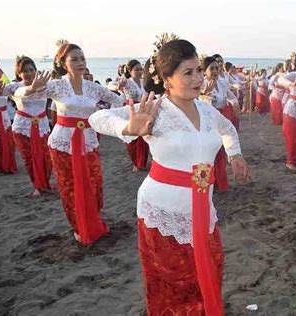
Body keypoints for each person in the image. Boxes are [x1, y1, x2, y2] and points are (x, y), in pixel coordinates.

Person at [88, 39, 250, 316]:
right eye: (188, 73)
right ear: (166, 79)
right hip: (164, 208)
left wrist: (235, 155)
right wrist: (128, 127)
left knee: (209, 268)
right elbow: (97, 117)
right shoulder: (155, 110)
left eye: (198, 70)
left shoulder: (208, 111)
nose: (198, 78)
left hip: (203, 206)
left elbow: (228, 131)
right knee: (174, 281)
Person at [15, 43, 125, 244]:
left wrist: (113, 117)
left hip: (88, 141)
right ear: (63, 63)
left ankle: (92, 221)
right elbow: (20, 94)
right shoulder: (57, 85)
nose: (80, 62)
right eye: (74, 59)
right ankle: (78, 227)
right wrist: (32, 87)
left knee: (95, 184)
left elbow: (118, 101)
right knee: (69, 187)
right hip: (62, 142)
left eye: (82, 58)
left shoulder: (93, 88)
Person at [0, 56, 52, 195]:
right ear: (19, 73)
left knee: (46, 158)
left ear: (36, 71)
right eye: (25, 70)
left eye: (31, 70)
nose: (29, 73)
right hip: (22, 128)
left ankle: (45, 183)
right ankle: (37, 186)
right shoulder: (15, 87)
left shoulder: (45, 85)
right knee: (29, 158)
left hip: (42, 126)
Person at [200, 56, 240, 191]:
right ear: (204, 71)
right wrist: (205, 94)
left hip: (221, 118)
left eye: (217, 68)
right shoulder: (201, 84)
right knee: (211, 150)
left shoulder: (222, 82)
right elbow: (197, 102)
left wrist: (235, 104)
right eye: (212, 68)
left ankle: (220, 181)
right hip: (207, 121)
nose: (215, 71)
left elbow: (230, 95)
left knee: (221, 150)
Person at [121, 59, 150, 172]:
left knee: (144, 137)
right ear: (130, 70)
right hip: (131, 111)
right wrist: (120, 88)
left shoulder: (144, 82)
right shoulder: (126, 82)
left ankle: (142, 162)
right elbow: (119, 90)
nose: (139, 72)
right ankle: (135, 163)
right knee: (133, 138)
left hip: (143, 110)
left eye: (140, 69)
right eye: (136, 69)